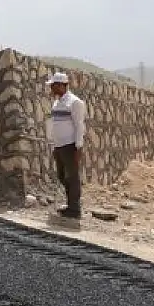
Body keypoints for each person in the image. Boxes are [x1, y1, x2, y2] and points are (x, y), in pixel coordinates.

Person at [47, 72, 87, 219]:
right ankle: (70, 203)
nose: (51, 88)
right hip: (59, 146)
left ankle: (74, 208)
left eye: (53, 85)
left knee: (72, 176)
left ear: (60, 85)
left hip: (70, 146)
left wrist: (78, 147)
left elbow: (79, 126)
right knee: (62, 176)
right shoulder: (57, 103)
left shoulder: (75, 102)